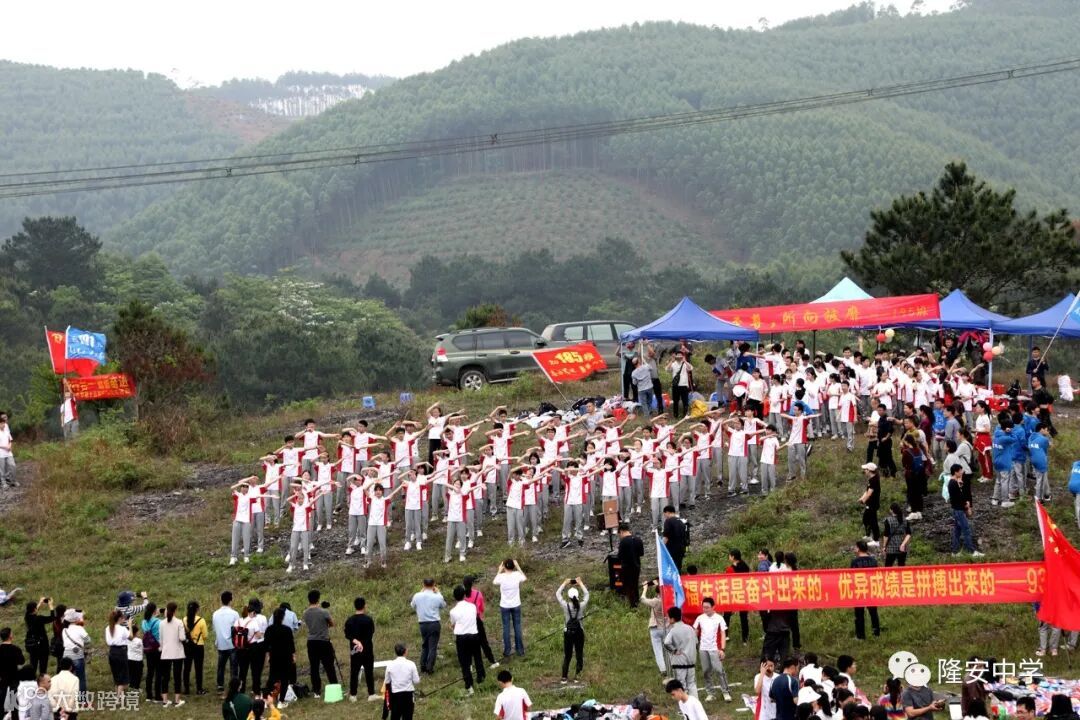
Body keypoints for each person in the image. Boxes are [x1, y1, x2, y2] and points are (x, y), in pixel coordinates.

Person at [693, 597, 732, 703]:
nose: (705, 609)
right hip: (703, 648)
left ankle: (726, 691)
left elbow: (723, 634)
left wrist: (722, 649)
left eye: (707, 607)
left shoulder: (719, 618)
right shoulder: (700, 618)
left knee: (719, 670)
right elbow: (695, 632)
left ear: (713, 607)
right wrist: (693, 644)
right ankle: (710, 693)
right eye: (703, 607)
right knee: (706, 671)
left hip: (715, 648)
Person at [449, 585, 484, 695]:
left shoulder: (453, 611)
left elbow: (453, 624)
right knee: (477, 656)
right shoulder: (472, 607)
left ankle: (469, 685)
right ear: (464, 595)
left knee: (464, 662)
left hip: (462, 637)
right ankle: (480, 676)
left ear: (454, 597)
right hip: (474, 634)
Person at [302, 590, 337, 697]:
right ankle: (334, 687)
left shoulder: (305, 613)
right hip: (323, 641)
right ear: (318, 598)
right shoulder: (324, 612)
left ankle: (316, 690)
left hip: (311, 642)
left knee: (314, 667)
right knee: (329, 665)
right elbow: (332, 624)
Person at [555, 578, 589, 683]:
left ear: (569, 597)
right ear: (577, 596)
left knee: (567, 655)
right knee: (579, 654)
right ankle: (577, 677)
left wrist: (565, 583)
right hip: (579, 632)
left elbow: (557, 594)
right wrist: (581, 583)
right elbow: (587, 594)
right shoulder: (581, 605)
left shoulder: (566, 606)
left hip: (568, 633)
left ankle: (564, 677)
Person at [410, 579, 446, 674]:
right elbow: (443, 605)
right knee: (432, 647)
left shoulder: (417, 595)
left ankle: (423, 666)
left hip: (422, 624)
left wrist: (421, 592)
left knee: (425, 645)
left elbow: (412, 605)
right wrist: (438, 592)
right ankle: (429, 667)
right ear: (434, 584)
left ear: (423, 584)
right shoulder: (437, 596)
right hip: (434, 623)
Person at [947, 464, 984, 557]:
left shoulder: (954, 482)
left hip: (957, 510)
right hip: (959, 510)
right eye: (960, 471)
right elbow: (958, 498)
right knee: (966, 530)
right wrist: (966, 505)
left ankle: (955, 551)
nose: (962, 472)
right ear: (956, 472)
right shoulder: (953, 483)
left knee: (957, 531)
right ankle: (971, 551)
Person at [462, 576, 498, 670]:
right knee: (483, 642)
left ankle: (469, 665)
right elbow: (482, 608)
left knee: (468, 644)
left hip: (466, 622)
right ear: (472, 584)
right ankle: (492, 661)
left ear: (463, 584)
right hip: (477, 620)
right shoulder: (478, 594)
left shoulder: (463, 596)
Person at [493, 559, 527, 659]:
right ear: (513, 566)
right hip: (516, 604)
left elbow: (494, 581)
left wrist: (499, 570)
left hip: (505, 605)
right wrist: (518, 567)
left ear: (504, 567)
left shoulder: (501, 577)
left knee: (506, 628)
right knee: (517, 626)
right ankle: (520, 650)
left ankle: (507, 651)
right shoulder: (517, 574)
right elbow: (524, 578)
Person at [263, 608, 295, 706]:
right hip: (286, 657)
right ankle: (281, 701)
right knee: (285, 679)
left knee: (271, 678)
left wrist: (268, 655)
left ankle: (265, 699)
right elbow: (291, 645)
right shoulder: (287, 630)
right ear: (283, 617)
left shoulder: (269, 629)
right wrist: (293, 655)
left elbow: (266, 645)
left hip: (274, 656)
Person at [664, 607, 698, 699]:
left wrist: (674, 650)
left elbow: (666, 643)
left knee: (681, 685)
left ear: (672, 619)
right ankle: (695, 702)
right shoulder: (690, 628)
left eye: (668, 617)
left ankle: (684, 703)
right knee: (692, 683)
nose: (667, 619)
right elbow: (696, 642)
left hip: (679, 662)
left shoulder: (673, 630)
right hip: (691, 661)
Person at [236, 599, 267, 696]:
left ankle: (241, 689)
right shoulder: (259, 619)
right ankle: (256, 689)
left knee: (242, 670)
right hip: (255, 646)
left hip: (241, 647)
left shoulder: (239, 620)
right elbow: (260, 635)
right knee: (256, 670)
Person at [159, 602, 187, 707]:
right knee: (177, 677)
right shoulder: (179, 622)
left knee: (165, 677)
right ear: (175, 610)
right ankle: (177, 700)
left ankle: (165, 701)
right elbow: (182, 638)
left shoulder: (162, 623)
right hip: (177, 653)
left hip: (165, 653)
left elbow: (160, 639)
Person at [851, 540, 881, 639]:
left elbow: (852, 577)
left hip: (859, 590)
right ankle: (876, 633)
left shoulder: (855, 562)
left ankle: (860, 635)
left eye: (855, 547)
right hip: (871, 589)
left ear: (858, 549)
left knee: (859, 614)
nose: (854, 549)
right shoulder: (873, 561)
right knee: (873, 612)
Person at [213, 591, 240, 692]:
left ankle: (220, 685)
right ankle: (234, 686)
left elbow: (215, 629)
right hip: (232, 644)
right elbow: (238, 629)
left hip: (221, 643)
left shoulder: (215, 614)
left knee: (221, 666)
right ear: (230, 600)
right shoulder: (234, 614)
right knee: (234, 667)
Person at [640, 581, 668, 679]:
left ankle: (663, 669)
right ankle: (670, 666)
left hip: (655, 627)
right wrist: (657, 584)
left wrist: (645, 589)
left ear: (657, 592)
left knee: (658, 650)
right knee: (668, 649)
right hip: (665, 628)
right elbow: (661, 591)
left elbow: (642, 599)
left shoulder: (655, 601)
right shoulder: (668, 601)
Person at [385, 643, 420, 720]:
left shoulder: (390, 665)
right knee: (408, 717)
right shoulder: (411, 664)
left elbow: (387, 681)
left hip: (396, 695)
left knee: (395, 717)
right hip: (408, 695)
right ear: (405, 651)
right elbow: (416, 681)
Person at [723, 550, 751, 644]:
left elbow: (727, 582)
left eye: (730, 556)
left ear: (733, 557)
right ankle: (745, 639)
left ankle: (725, 635)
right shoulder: (745, 566)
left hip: (732, 594)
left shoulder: (730, 569)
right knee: (743, 617)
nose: (729, 557)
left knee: (727, 615)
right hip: (743, 594)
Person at [61, 608, 90, 697]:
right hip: (77, 654)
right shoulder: (79, 629)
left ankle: (69, 697)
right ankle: (82, 699)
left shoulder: (64, 630)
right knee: (81, 678)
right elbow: (88, 640)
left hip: (66, 655)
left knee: (68, 678)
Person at [182, 600, 207, 696]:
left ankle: (186, 689)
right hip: (198, 646)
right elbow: (205, 635)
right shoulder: (201, 620)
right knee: (198, 668)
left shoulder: (184, 620)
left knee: (186, 668)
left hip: (187, 646)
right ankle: (199, 689)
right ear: (197, 609)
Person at [617, 523, 645, 607]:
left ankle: (633, 605)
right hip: (637, 566)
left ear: (621, 531)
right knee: (635, 584)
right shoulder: (638, 539)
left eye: (619, 534)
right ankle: (636, 601)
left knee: (628, 586)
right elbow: (641, 553)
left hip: (627, 567)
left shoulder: (623, 542)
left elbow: (620, 556)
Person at [24, 597, 54, 675]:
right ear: (34, 609)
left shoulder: (27, 617)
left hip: (32, 645)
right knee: (43, 667)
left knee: (33, 666)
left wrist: (40, 603)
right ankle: (42, 680)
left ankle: (32, 680)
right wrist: (50, 605)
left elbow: (33, 611)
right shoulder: (39, 618)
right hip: (42, 645)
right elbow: (52, 618)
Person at [103, 611, 129, 694]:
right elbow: (131, 637)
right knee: (123, 678)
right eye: (123, 617)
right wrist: (130, 626)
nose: (124, 619)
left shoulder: (108, 628)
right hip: (121, 652)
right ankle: (118, 698)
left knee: (116, 677)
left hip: (112, 652)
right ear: (119, 618)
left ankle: (119, 695)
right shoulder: (122, 629)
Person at [0, 627, 25, 710]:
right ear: (10, 636)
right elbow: (22, 661)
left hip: (2, 676)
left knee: (2, 695)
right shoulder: (15, 649)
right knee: (13, 696)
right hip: (14, 676)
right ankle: (13, 713)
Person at [858, 463, 881, 547]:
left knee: (873, 522)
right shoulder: (872, 479)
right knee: (866, 519)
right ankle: (868, 535)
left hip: (872, 504)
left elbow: (869, 493)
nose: (864, 471)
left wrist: (863, 500)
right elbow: (867, 491)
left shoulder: (874, 480)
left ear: (869, 470)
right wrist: (862, 498)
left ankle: (876, 541)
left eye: (865, 469)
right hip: (870, 504)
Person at [667, 351, 695, 418]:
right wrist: (671, 361)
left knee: (685, 401)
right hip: (675, 386)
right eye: (678, 355)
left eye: (680, 356)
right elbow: (667, 369)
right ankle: (675, 415)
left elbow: (691, 368)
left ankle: (685, 415)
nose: (679, 357)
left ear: (682, 356)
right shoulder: (673, 364)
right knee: (675, 401)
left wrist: (685, 361)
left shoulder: (685, 364)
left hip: (684, 385)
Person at [662, 506, 687, 572]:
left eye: (664, 514)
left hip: (672, 549)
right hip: (681, 549)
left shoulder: (668, 521)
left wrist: (661, 547)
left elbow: (666, 537)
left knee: (671, 569)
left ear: (667, 512)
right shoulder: (681, 521)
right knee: (678, 568)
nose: (665, 516)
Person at [0, 410, 15, 489]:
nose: (6, 418)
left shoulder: (6, 426)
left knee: (10, 465)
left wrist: (9, 445)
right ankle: (3, 481)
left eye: (6, 417)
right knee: (2, 467)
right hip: (1, 451)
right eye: (4, 417)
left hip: (8, 450)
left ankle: (9, 479)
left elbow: (9, 437)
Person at [127, 622, 144, 693]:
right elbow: (143, 649)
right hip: (138, 660)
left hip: (129, 658)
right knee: (138, 674)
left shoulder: (127, 640)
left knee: (131, 673)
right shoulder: (139, 640)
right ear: (136, 632)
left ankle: (131, 685)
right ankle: (136, 687)